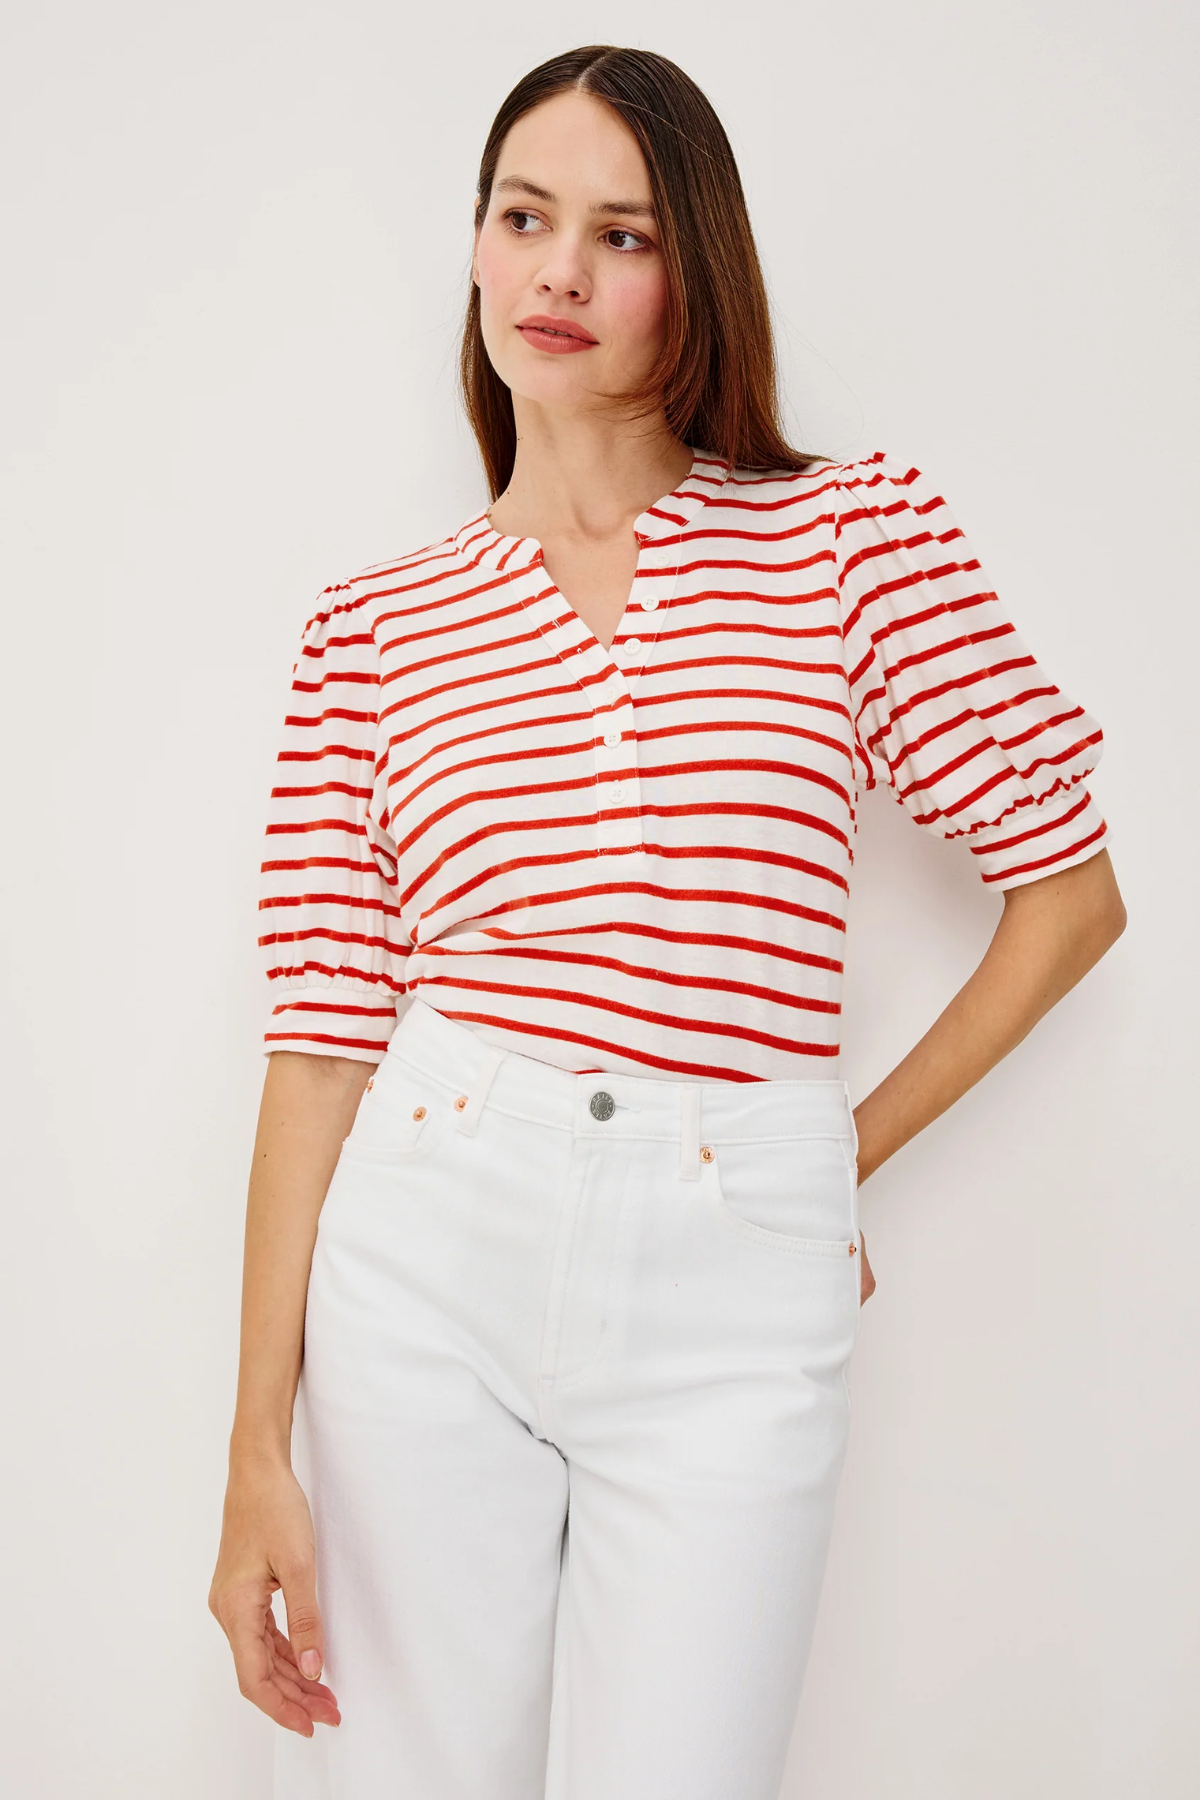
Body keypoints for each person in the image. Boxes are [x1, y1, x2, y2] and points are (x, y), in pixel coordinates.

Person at [208, 43, 1126, 1800]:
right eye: (524, 216)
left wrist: (823, 1162)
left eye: (620, 235)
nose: (558, 270)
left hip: (741, 1273)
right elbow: (323, 1042)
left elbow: (1070, 896)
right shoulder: (371, 631)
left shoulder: (849, 539)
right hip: (425, 1253)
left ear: (694, 274)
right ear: (474, 247)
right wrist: (255, 1447)